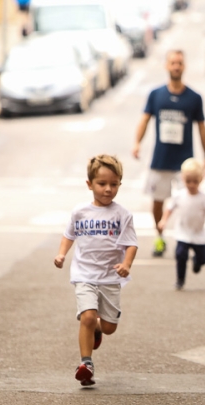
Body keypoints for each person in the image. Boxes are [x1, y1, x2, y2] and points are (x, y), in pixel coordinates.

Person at [53, 155, 138, 386]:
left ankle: (99, 329)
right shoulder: (80, 212)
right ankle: (86, 364)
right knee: (87, 317)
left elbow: (132, 243)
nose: (108, 189)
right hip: (84, 276)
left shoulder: (122, 215)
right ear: (89, 184)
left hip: (110, 277)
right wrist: (62, 254)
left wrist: (126, 264)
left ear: (120, 183)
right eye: (102, 184)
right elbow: (68, 236)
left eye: (114, 184)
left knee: (109, 327)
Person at [133, 50, 205, 258]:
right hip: (161, 159)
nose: (176, 66)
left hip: (185, 163)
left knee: (188, 202)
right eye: (173, 63)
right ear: (167, 66)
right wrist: (137, 143)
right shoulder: (156, 94)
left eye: (179, 63)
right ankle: (159, 236)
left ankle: (186, 239)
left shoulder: (194, 98)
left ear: (184, 67)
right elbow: (145, 119)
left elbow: (202, 127)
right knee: (158, 201)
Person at [157, 158, 205, 290]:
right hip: (183, 233)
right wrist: (163, 220)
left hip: (198, 234)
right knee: (180, 255)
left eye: (195, 181)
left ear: (201, 180)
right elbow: (169, 209)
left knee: (203, 259)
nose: (191, 185)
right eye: (188, 181)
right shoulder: (179, 195)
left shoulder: (203, 198)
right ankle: (180, 279)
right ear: (183, 179)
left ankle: (197, 261)